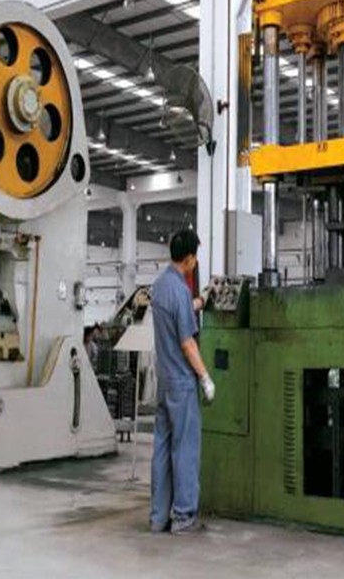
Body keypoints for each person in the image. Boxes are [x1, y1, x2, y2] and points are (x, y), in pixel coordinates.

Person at [149, 229, 215, 535]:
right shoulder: (179, 290)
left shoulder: (160, 286)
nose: (195, 262)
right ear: (188, 259)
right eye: (195, 257)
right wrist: (205, 377)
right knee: (185, 450)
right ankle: (184, 516)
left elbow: (180, 310)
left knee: (162, 449)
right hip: (182, 384)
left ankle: (158, 517)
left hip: (163, 381)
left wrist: (201, 300)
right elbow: (188, 343)